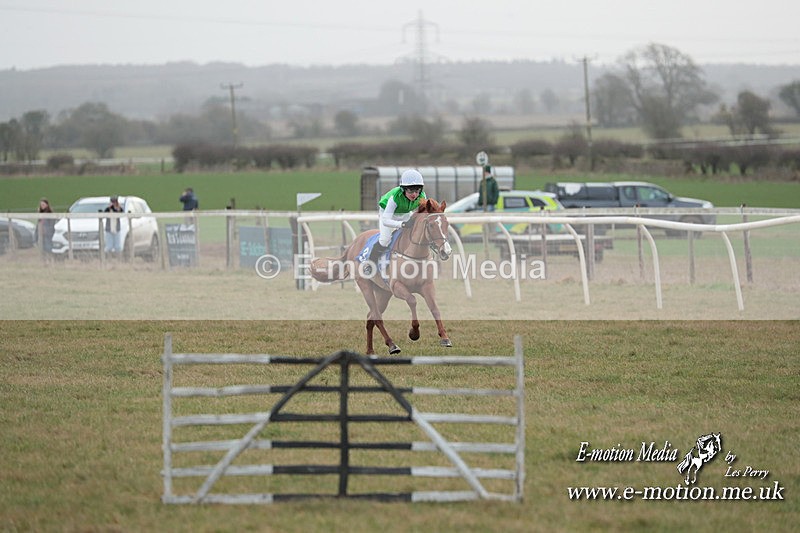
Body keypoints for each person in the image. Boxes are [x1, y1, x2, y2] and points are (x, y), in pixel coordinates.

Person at [365, 169, 427, 275]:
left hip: (405, 213)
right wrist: (401, 224)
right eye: (410, 191)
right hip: (388, 214)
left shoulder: (422, 197)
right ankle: (370, 264)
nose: (414, 194)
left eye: (417, 191)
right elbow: (385, 220)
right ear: (403, 189)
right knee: (385, 240)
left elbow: (423, 214)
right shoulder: (394, 197)